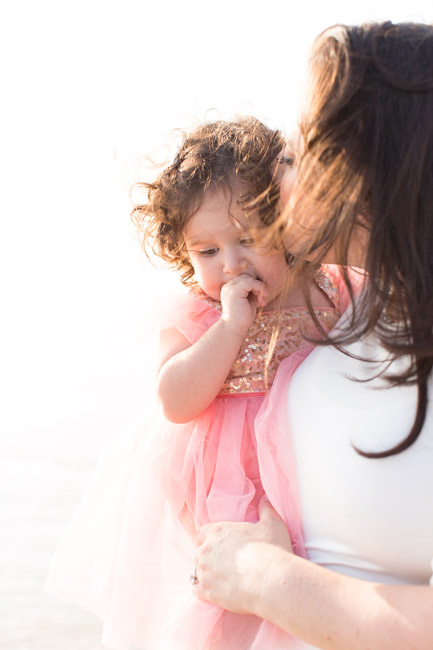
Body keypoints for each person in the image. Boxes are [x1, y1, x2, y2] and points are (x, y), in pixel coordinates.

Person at [44, 117, 348, 650]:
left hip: (316, 468)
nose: (230, 265)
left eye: (249, 240)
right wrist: (232, 328)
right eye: (206, 251)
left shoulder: (329, 287)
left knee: (317, 594)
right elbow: (175, 400)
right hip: (235, 483)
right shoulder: (199, 317)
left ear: (291, 222)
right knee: (234, 608)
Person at [193, 21, 433, 650]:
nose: (273, 177)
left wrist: (266, 578)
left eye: (297, 156)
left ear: (369, 174)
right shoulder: (350, 301)